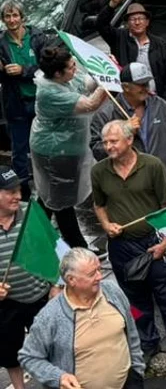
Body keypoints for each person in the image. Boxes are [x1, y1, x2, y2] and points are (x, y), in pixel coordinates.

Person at [91, 120, 166, 377]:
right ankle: (147, 342)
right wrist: (106, 224)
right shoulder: (99, 171)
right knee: (135, 299)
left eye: (113, 141)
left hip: (153, 242)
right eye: (105, 142)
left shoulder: (152, 165)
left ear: (129, 140)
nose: (108, 146)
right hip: (121, 247)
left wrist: (165, 243)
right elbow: (99, 205)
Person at [18, 248, 146, 389]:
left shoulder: (112, 290)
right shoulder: (50, 316)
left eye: (99, 269)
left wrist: (137, 370)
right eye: (92, 274)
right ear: (71, 280)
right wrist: (58, 377)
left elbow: (132, 332)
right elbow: (29, 357)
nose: (99, 277)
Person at [30, 41, 107, 250]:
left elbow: (87, 82)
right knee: (60, 200)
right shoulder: (49, 92)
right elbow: (90, 104)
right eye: (72, 67)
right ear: (57, 74)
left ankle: (34, 234)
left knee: (51, 198)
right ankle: (78, 245)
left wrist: (104, 71)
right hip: (54, 151)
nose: (75, 69)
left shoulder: (66, 78)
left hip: (68, 147)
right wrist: (107, 83)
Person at [0, 167, 57, 389]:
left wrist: (56, 285)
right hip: (6, 306)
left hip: (40, 298)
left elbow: (55, 248)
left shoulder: (31, 214)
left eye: (18, 190)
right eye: (10, 192)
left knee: (51, 348)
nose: (18, 196)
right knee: (9, 354)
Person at [89, 63, 166, 178]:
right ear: (126, 87)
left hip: (160, 179)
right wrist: (123, 133)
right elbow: (98, 152)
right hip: (128, 183)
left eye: (147, 83)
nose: (146, 88)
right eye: (141, 84)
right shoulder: (105, 114)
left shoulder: (160, 105)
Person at [99, 0, 166, 104]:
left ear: (147, 22)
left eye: (141, 18)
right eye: (133, 19)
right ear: (127, 23)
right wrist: (112, 4)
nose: (137, 22)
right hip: (126, 102)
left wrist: (165, 100)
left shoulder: (160, 44)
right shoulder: (119, 38)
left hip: (154, 100)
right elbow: (101, 24)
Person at [0, 1, 47, 199]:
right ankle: (23, 194)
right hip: (16, 104)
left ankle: (47, 186)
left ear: (22, 17)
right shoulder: (1, 42)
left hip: (40, 101)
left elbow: (48, 66)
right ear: (3, 20)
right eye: (7, 17)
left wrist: (24, 71)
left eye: (15, 15)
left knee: (44, 145)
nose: (12, 20)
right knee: (19, 151)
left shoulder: (37, 37)